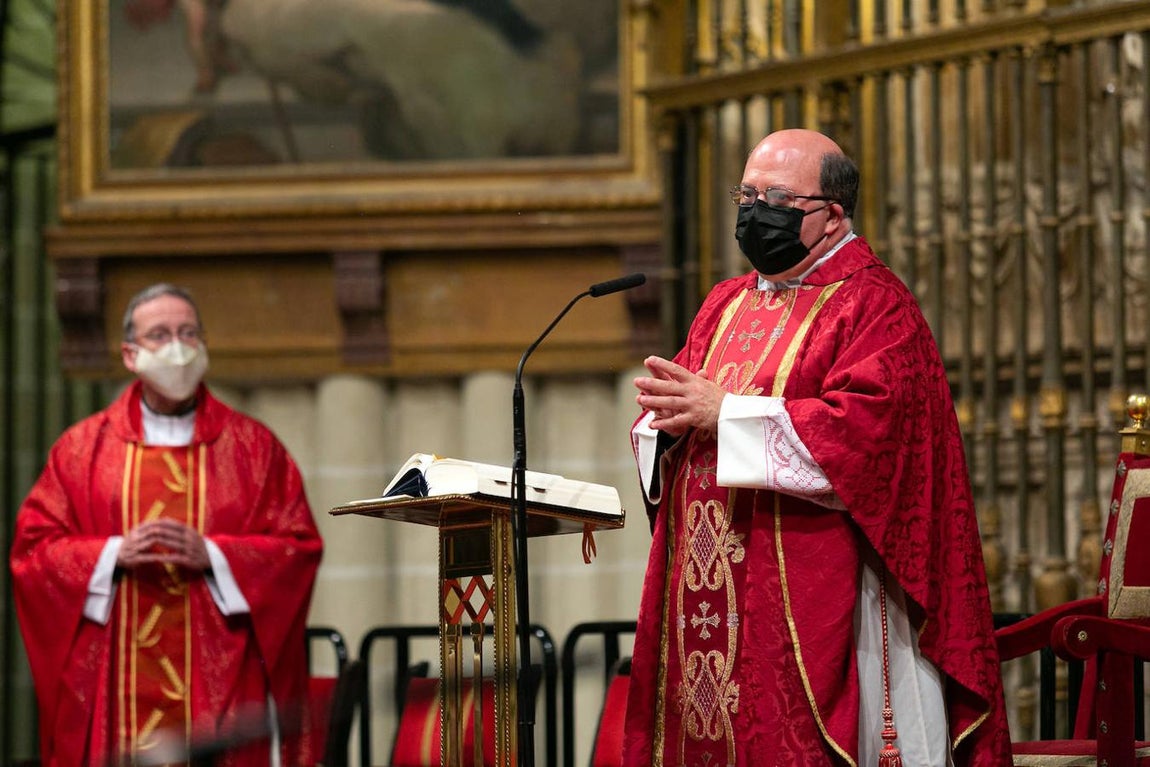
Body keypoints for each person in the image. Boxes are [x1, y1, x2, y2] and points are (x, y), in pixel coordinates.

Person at [623, 129, 1011, 766]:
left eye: (775, 198)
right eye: (745, 195)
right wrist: (661, 426)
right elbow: (684, 409)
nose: (754, 212)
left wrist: (726, 413)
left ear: (832, 216)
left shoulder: (875, 305)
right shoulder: (726, 303)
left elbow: (869, 439)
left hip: (820, 584)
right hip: (714, 585)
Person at [11, 283, 324, 766]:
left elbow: (297, 547)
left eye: (188, 332)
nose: (177, 347)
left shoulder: (252, 448)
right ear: (130, 354)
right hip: (115, 677)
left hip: (222, 674)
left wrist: (215, 556)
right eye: (159, 335)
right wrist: (112, 554)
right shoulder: (80, 451)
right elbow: (32, 553)